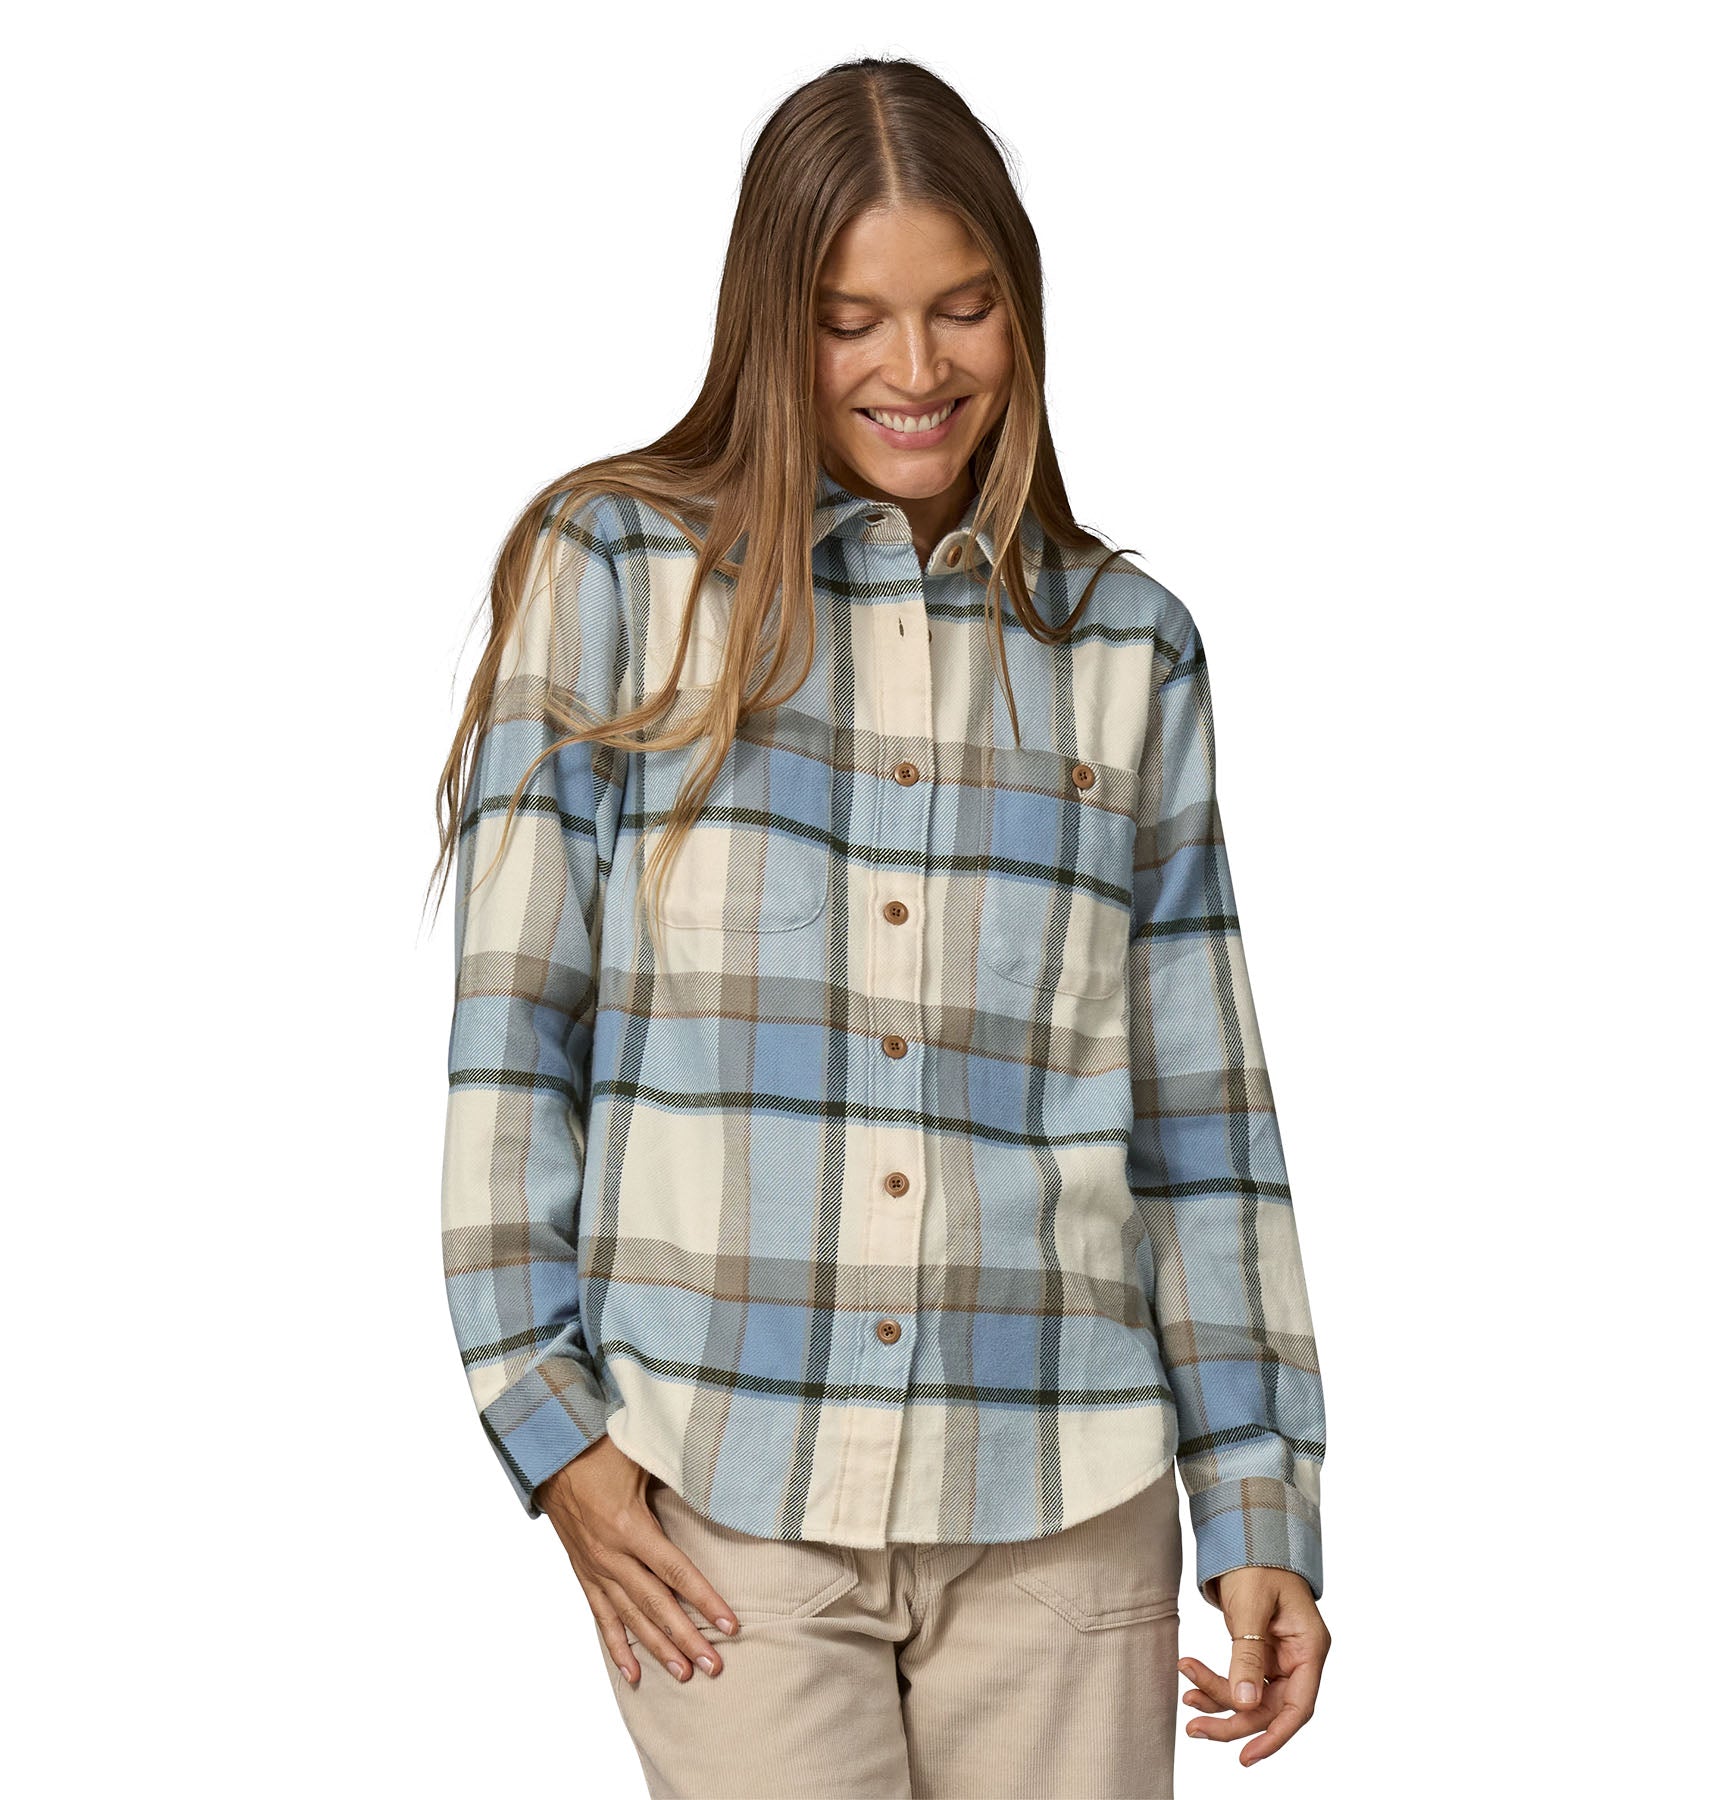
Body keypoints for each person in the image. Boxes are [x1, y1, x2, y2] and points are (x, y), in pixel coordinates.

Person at [430, 55, 1329, 1798]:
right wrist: (554, 1434)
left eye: (962, 309)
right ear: (773, 322)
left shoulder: (1129, 650)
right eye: (852, 321)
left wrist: (1260, 1493)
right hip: (724, 1496)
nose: (915, 371)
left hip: (1067, 1503)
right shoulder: (614, 574)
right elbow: (514, 1036)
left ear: (1023, 308)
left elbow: (1203, 1119)